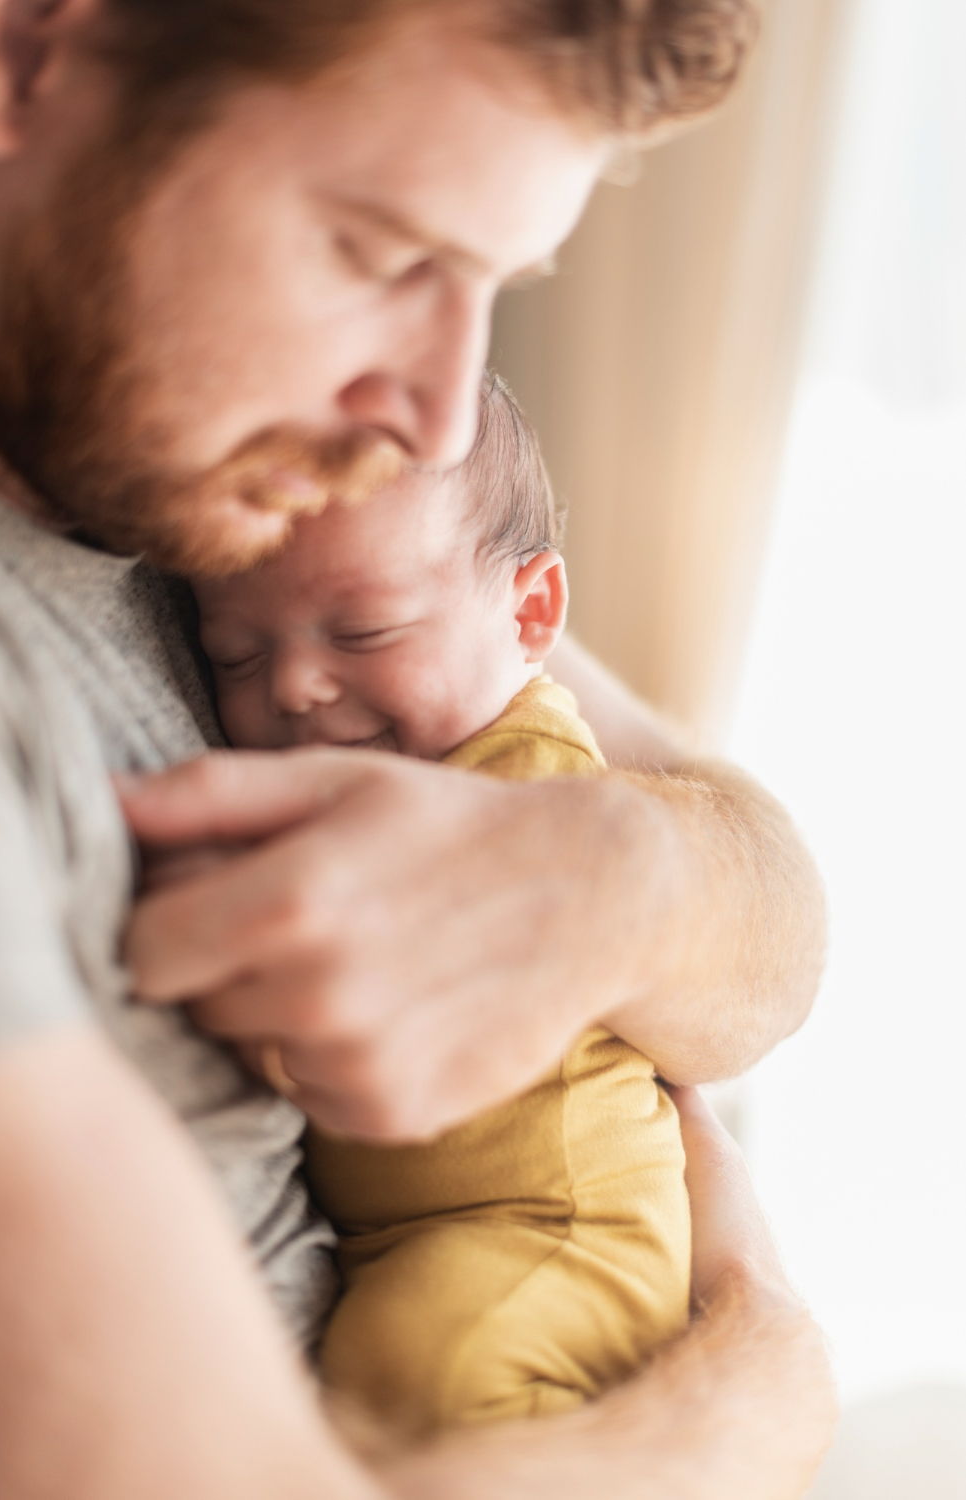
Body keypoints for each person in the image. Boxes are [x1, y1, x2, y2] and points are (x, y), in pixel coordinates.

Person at [0, 2, 835, 1497]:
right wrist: (757, 1400)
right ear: (22, 53)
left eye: (495, 280)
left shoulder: (241, 475)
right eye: (379, 255)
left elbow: (774, 947)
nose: (436, 405)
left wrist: (611, 873)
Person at [189, 372, 693, 1436]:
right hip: (419, 1227)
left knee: (423, 1366)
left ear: (531, 613)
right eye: (234, 652)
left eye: (363, 633)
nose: (292, 689)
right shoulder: (345, 768)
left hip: (555, 1229)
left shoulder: (529, 780)